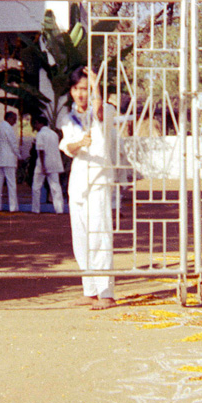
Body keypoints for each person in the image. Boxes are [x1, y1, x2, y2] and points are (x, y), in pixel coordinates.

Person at [58, 66, 117, 310]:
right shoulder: (67, 116)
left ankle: (106, 293)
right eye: (77, 89)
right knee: (80, 237)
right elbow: (67, 147)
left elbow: (99, 111)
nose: (81, 94)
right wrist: (79, 143)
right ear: (71, 91)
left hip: (99, 181)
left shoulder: (105, 111)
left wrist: (96, 87)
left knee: (99, 234)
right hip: (79, 183)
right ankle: (90, 290)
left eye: (86, 89)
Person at [31, 114, 65, 214]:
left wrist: (43, 165)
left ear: (39, 123)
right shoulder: (54, 134)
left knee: (36, 187)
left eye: (36, 124)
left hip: (43, 163)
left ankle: (35, 209)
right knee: (55, 187)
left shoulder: (40, 134)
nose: (35, 126)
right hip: (54, 163)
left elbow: (41, 150)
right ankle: (59, 209)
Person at [0, 111, 22, 212]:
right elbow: (13, 144)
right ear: (9, 118)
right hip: (9, 159)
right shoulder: (8, 128)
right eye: (14, 119)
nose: (15, 121)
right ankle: (13, 207)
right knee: (11, 184)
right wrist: (19, 156)